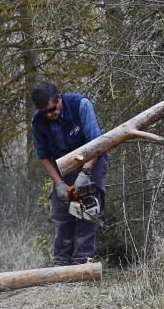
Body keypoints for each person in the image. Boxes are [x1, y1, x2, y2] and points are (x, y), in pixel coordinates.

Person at [30, 82, 108, 266]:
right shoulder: (37, 121)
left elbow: (97, 144)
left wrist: (85, 173)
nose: (50, 115)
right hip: (62, 166)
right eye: (45, 113)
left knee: (86, 213)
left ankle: (82, 264)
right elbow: (43, 156)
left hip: (92, 160)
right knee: (61, 214)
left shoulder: (80, 105)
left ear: (59, 97)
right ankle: (61, 265)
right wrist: (58, 183)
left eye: (53, 109)